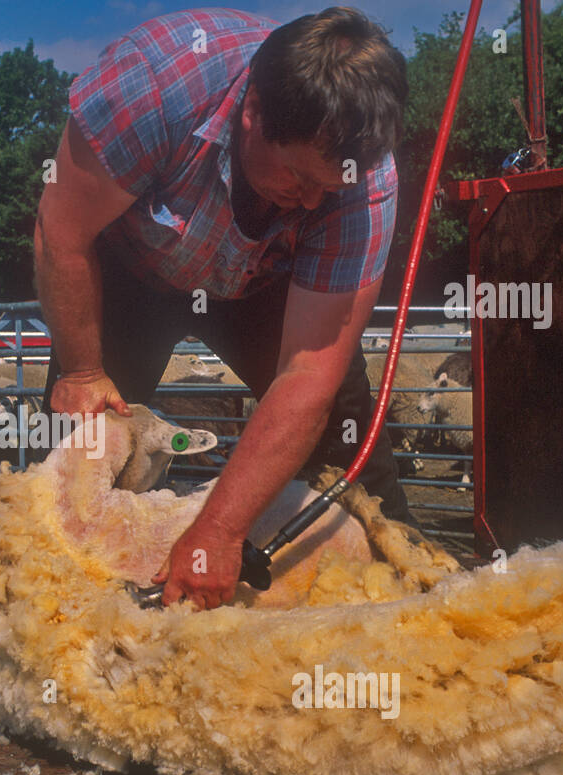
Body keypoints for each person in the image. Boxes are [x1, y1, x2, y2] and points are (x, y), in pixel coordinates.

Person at [34, 6, 412, 611]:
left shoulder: (362, 184)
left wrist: (219, 531)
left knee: (350, 446)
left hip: (266, 288)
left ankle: (400, 590)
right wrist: (82, 371)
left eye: (329, 187)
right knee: (75, 455)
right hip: (129, 276)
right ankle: (46, 605)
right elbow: (63, 230)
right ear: (253, 111)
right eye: (296, 174)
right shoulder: (153, 84)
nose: (313, 200)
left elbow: (309, 372)